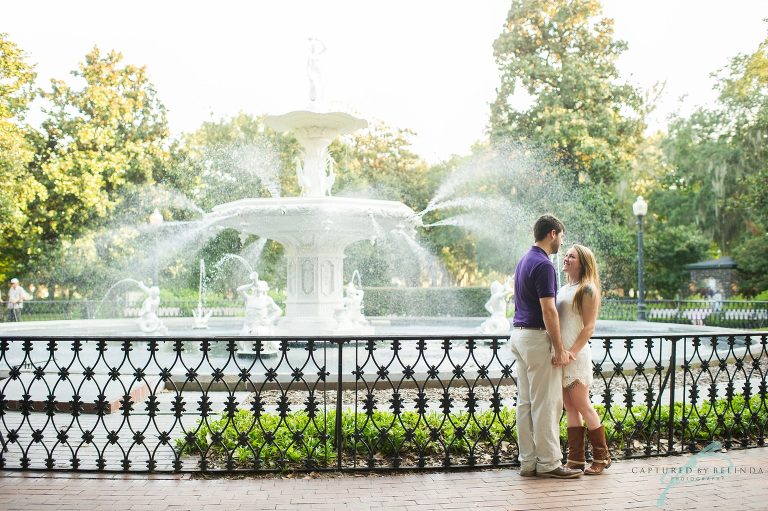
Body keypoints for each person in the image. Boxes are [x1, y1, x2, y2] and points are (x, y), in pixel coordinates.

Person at [509, 214, 581, 479]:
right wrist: (560, 347)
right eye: (561, 235)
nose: (562, 241)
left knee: (526, 403)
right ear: (552, 234)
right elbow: (548, 309)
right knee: (548, 404)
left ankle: (528, 462)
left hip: (519, 336)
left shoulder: (524, 260)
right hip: (537, 339)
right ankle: (549, 463)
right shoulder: (544, 265)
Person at [558, 244, 611, 475]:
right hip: (562, 356)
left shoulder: (587, 289)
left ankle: (602, 456)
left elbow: (589, 327)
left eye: (572, 256)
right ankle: (576, 460)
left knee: (583, 405)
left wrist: (571, 352)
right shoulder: (563, 288)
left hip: (576, 356)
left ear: (582, 263)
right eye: (566, 254)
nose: (566, 258)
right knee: (569, 406)